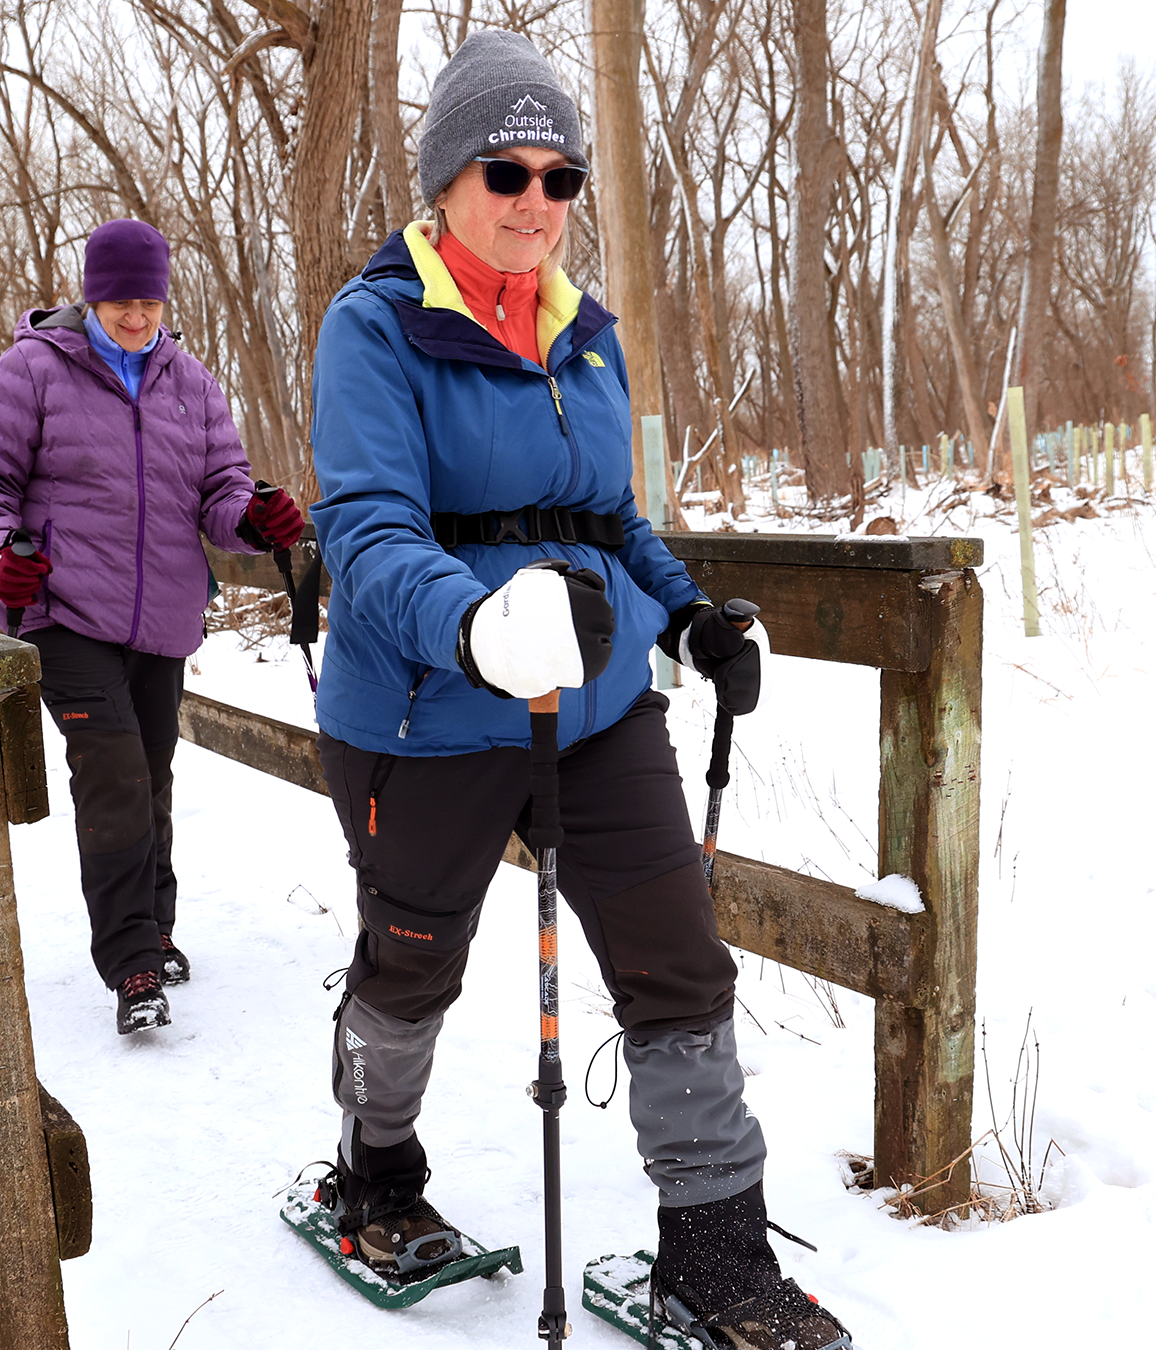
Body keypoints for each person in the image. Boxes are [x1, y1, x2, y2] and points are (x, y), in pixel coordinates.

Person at [302, 32, 849, 1350]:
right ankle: (375, 1166)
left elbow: (611, 522)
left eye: (562, 178)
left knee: (679, 964)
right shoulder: (375, 326)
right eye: (506, 169)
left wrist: (692, 611)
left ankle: (713, 1249)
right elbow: (371, 536)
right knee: (411, 962)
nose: (535, 201)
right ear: (446, 181)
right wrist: (479, 625)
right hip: (428, 716)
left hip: (599, 713)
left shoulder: (584, 338)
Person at [0, 219, 303, 1036]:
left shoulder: (191, 383)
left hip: (163, 614)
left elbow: (219, 488)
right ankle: (131, 960)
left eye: (149, 300)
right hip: (63, 610)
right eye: (120, 301)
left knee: (149, 772)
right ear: (91, 294)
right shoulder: (34, 369)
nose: (136, 317)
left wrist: (253, 516)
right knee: (111, 772)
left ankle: (157, 923)